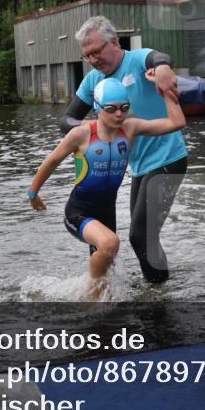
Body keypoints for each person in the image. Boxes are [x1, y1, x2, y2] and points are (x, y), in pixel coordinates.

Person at [59, 16, 187, 283]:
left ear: (114, 42)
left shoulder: (137, 60)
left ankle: (158, 295)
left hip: (168, 159)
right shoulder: (93, 80)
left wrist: (163, 68)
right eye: (87, 56)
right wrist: (92, 126)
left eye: (97, 51)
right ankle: (118, 290)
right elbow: (66, 120)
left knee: (141, 235)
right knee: (131, 237)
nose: (93, 60)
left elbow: (158, 57)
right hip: (139, 166)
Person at [31, 77, 185, 294]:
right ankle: (91, 298)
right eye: (111, 109)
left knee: (109, 270)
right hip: (78, 212)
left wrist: (168, 91)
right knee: (110, 244)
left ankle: (97, 301)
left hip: (106, 214)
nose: (119, 114)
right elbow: (52, 161)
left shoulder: (130, 128)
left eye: (124, 108)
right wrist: (33, 193)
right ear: (97, 108)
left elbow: (176, 123)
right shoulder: (82, 134)